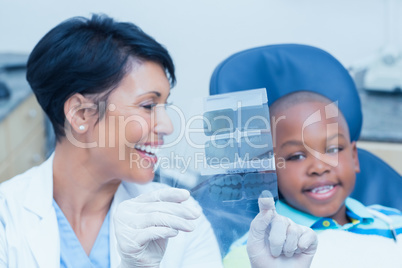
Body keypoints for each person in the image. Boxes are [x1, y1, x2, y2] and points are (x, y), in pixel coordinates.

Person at [0, 14, 317, 268]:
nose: (166, 125)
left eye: (165, 106)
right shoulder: (6, 219)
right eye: (148, 106)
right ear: (81, 114)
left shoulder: (183, 220)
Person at [223, 90, 402, 267]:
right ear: (268, 173)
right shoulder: (255, 252)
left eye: (333, 149)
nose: (319, 167)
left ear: (354, 157)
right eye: (296, 156)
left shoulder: (394, 223)